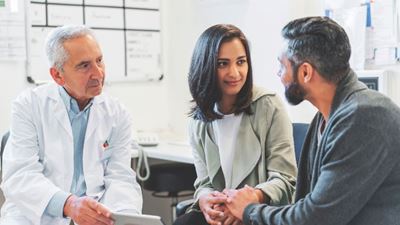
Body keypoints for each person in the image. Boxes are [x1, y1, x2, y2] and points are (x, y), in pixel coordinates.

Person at [223, 16, 400, 225]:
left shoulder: (365, 117)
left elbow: (315, 219)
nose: (278, 74)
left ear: (305, 72)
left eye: (282, 66)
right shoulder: (327, 117)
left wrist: (249, 210)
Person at [0, 25, 142, 225]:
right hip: (36, 216)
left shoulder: (117, 113)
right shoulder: (29, 106)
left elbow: (120, 177)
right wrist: (69, 204)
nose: (98, 73)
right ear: (58, 75)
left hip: (96, 214)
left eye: (99, 60)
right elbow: (20, 175)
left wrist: (122, 217)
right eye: (84, 66)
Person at [173, 24, 297, 225]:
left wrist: (250, 201)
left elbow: (286, 180)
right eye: (222, 64)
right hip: (222, 217)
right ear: (205, 67)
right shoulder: (198, 120)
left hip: (260, 214)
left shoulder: (269, 106)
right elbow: (204, 183)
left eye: (241, 62)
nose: (235, 73)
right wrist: (205, 199)